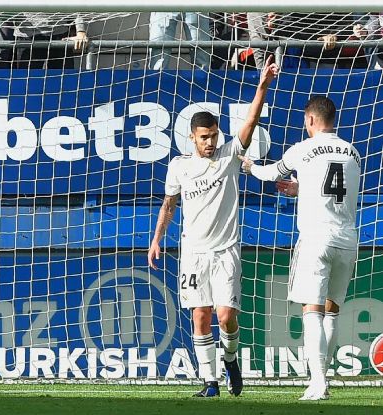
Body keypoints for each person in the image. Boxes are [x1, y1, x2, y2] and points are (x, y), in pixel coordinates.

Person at [148, 57, 278, 397]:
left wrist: (262, 85)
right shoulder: (178, 167)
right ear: (192, 137)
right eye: (204, 137)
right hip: (192, 252)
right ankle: (210, 382)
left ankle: (231, 359)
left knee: (225, 318)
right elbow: (169, 204)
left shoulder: (230, 155)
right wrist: (157, 239)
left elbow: (250, 121)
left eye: (214, 136)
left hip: (225, 251)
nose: (210, 142)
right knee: (201, 317)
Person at [239, 96, 360, 401]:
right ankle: (324, 377)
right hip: (347, 239)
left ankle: (317, 382)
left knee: (312, 310)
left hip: (317, 238)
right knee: (332, 311)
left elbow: (271, 174)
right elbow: (331, 188)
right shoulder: (353, 153)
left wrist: (251, 166)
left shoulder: (303, 149)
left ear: (310, 120)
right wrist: (300, 188)